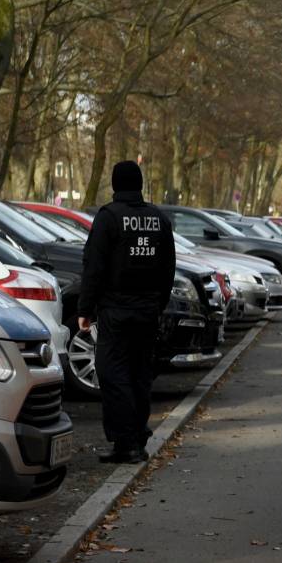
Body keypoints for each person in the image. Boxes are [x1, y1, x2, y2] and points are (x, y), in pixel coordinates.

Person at [78, 161, 176, 464]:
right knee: (139, 375)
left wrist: (85, 309)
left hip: (116, 312)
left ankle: (126, 444)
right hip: (147, 311)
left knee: (112, 374)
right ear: (141, 184)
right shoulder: (158, 219)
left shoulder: (108, 218)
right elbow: (168, 267)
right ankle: (137, 439)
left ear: (114, 184)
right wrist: (158, 303)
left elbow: (94, 267)